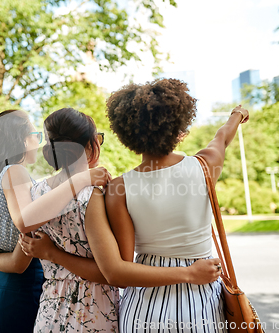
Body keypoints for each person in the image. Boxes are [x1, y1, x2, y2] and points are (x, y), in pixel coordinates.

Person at [85, 78, 249, 333]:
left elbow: (123, 271)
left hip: (144, 309)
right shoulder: (204, 166)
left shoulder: (119, 188)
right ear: (178, 127)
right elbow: (222, 137)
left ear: (127, 133)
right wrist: (237, 115)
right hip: (200, 301)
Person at [0, 109, 111, 333]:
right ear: (21, 140)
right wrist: (82, 178)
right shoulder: (17, 174)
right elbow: (19, 258)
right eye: (35, 135)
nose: (39, 141)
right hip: (19, 291)